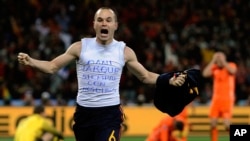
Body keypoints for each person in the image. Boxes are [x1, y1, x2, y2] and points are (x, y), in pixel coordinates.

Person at [17, 7, 187, 141]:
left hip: (109, 114)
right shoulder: (80, 47)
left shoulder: (124, 51)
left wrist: (168, 81)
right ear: (94, 24)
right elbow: (52, 67)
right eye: (100, 20)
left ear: (115, 25)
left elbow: (146, 76)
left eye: (108, 20)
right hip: (84, 114)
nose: (104, 23)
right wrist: (31, 61)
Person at [202, 52, 237, 141]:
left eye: (221, 58)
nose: (219, 60)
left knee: (227, 125)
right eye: (218, 58)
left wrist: (223, 61)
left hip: (227, 100)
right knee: (213, 124)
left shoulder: (231, 65)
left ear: (224, 58)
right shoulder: (215, 68)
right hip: (216, 100)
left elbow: (233, 71)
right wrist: (213, 60)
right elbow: (205, 74)